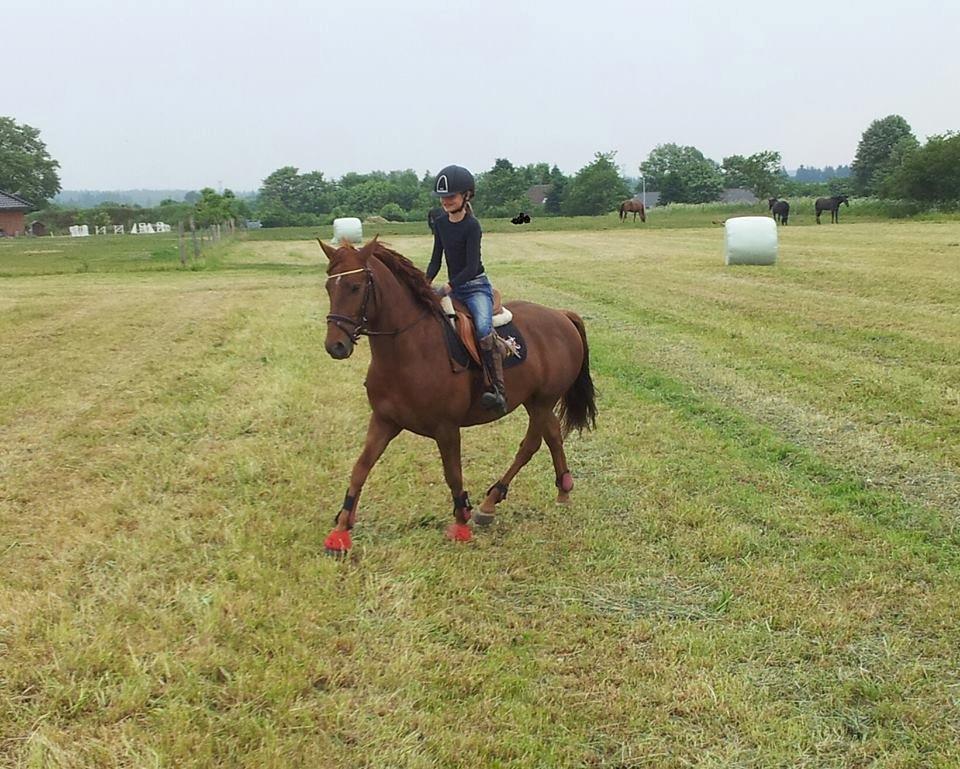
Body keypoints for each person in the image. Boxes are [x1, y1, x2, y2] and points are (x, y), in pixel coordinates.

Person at [426, 164, 507, 415]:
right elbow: (436, 259)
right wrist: (423, 283)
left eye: (451, 196)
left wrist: (447, 287)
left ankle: (498, 389)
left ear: (466, 196)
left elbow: (472, 267)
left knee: (483, 327)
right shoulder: (440, 223)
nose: (445, 201)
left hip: (475, 287)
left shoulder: (472, 226)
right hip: (453, 289)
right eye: (443, 197)